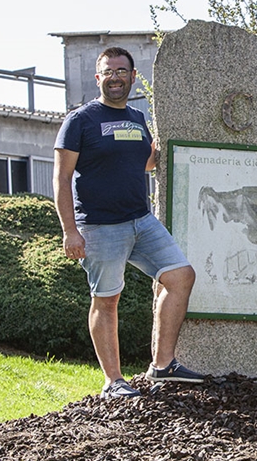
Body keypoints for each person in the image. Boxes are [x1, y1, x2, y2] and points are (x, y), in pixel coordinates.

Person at [53, 46, 203, 399]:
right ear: (98, 77)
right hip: (100, 227)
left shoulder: (137, 118)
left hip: (140, 220)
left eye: (122, 71)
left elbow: (144, 163)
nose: (116, 76)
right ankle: (113, 381)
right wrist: (69, 230)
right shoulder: (80, 120)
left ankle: (163, 365)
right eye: (109, 71)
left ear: (133, 77)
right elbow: (61, 178)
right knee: (107, 300)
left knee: (180, 275)